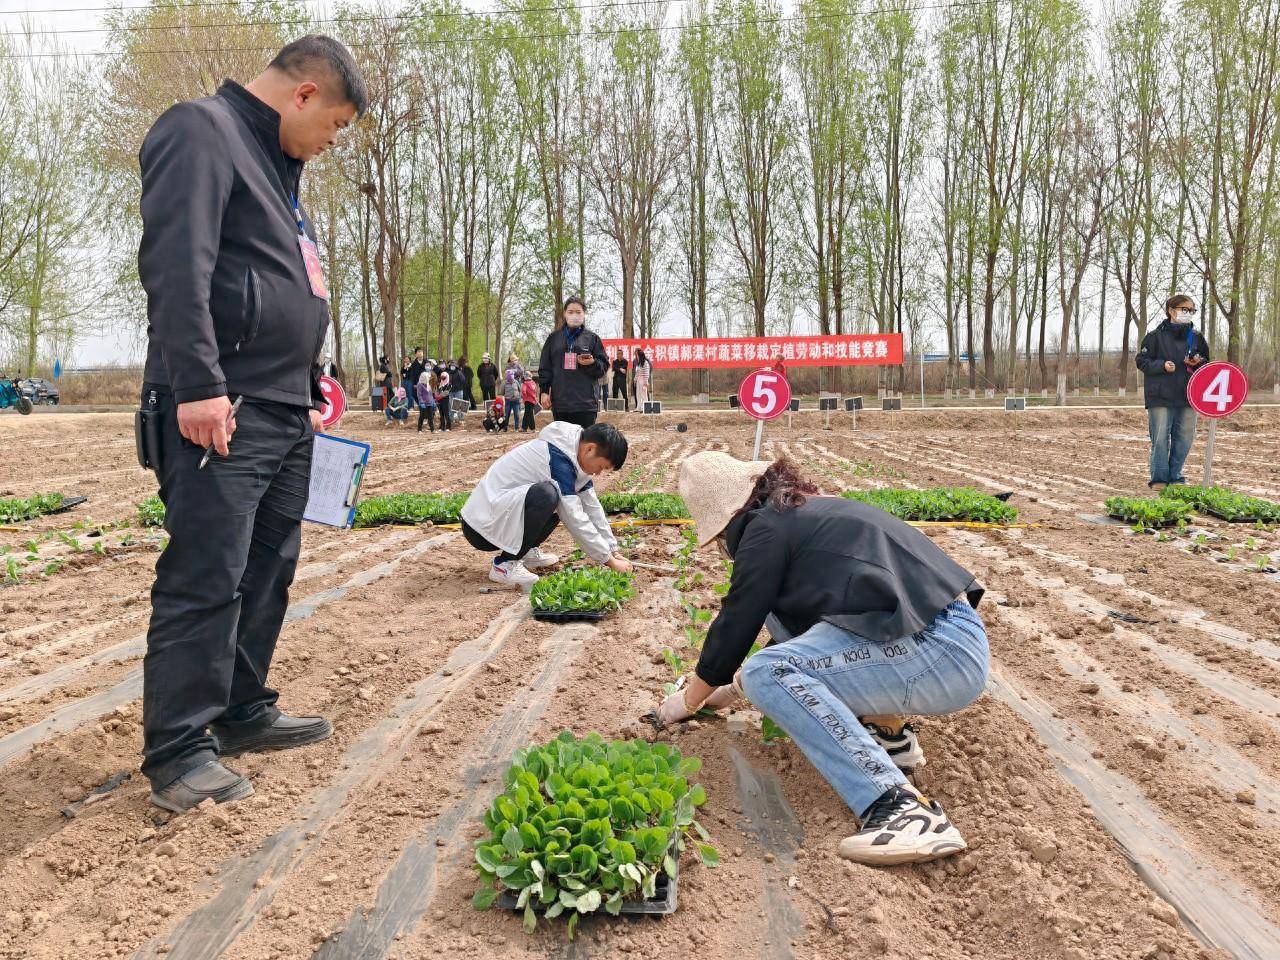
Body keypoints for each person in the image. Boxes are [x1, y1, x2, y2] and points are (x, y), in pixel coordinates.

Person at [134, 35, 367, 812]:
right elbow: (177, 265)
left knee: (267, 566)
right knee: (208, 574)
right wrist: (198, 383)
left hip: (281, 405)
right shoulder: (202, 131)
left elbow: (279, 281)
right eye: (334, 124)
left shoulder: (278, 172)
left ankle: (238, 708)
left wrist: (308, 379)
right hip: (221, 404)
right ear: (303, 95)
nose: (332, 143)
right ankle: (178, 748)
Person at [656, 452, 988, 866]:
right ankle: (889, 740)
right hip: (944, 637)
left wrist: (689, 699)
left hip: (938, 652)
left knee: (767, 670)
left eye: (721, 538)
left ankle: (901, 809)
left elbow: (737, 621)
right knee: (787, 648)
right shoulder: (799, 513)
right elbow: (808, 643)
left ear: (727, 520)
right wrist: (728, 690)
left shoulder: (765, 529)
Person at [461, 421, 633, 587]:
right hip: (481, 527)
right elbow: (575, 518)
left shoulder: (574, 456)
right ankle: (504, 565)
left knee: (555, 497)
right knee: (548, 495)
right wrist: (609, 561)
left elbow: (592, 508)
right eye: (601, 466)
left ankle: (526, 551)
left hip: (501, 516)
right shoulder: (558, 458)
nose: (598, 473)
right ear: (590, 449)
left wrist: (613, 550)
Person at [1136, 294, 1210, 491]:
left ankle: (1176, 477)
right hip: (1160, 395)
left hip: (1188, 395)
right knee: (1160, 437)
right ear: (1171, 310)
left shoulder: (1196, 338)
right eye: (1184, 309)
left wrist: (1198, 363)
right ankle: (1159, 478)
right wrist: (1162, 365)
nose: (1188, 314)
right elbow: (1141, 361)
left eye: (1191, 311)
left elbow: (1206, 365)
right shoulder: (1154, 337)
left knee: (1185, 436)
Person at [538, 296, 608, 426]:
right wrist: (544, 392)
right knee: (563, 443)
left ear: (584, 314)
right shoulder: (553, 339)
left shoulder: (592, 339)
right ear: (564, 314)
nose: (574, 315)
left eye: (578, 312)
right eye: (570, 312)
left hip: (585, 404)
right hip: (561, 403)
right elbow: (545, 368)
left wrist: (592, 364)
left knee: (584, 442)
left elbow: (603, 367)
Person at [446, 358, 466, 425]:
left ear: (456, 366)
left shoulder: (459, 372)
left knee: (459, 405)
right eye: (451, 365)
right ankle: (451, 419)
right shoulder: (448, 373)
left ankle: (462, 419)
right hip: (451, 391)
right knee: (450, 405)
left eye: (453, 365)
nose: (452, 367)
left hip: (459, 391)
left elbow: (463, 380)